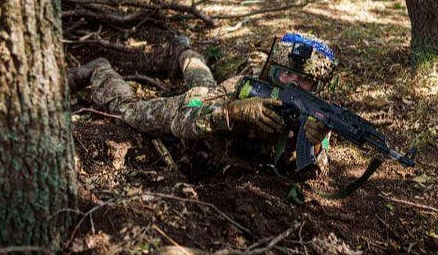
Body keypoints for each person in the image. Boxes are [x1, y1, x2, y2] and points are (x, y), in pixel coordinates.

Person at [69, 32, 335, 175]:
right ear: (271, 70)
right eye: (284, 73)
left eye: (304, 80)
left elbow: (315, 168)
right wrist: (231, 112)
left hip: (212, 101)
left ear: (316, 86)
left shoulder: (313, 113)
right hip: (198, 127)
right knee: (132, 111)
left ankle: (182, 49)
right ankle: (99, 71)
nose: (291, 84)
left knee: (203, 84)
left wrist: (314, 146)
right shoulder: (244, 87)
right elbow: (182, 119)